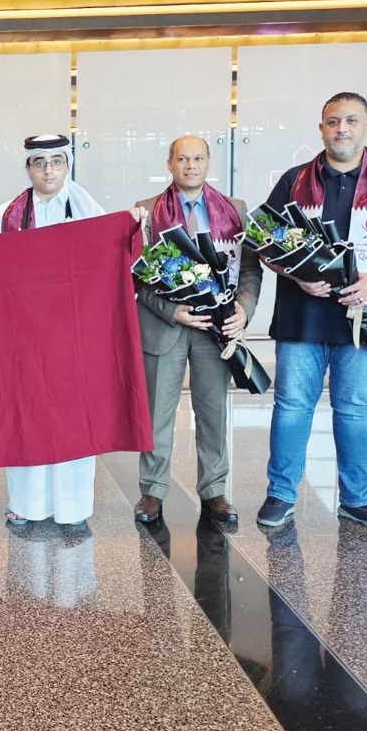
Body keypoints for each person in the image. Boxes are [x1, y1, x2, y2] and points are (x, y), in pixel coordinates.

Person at [255, 93, 367, 533]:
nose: (342, 129)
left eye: (351, 121)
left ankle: (357, 500)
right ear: (321, 128)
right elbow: (263, 240)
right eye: (333, 121)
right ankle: (281, 494)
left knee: (356, 409)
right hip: (302, 319)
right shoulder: (294, 181)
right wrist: (295, 275)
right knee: (291, 407)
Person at [133, 135, 262, 525]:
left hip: (216, 329)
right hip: (165, 327)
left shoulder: (236, 210)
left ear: (209, 163)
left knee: (213, 412)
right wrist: (174, 312)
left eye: (198, 158)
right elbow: (136, 279)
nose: (191, 165)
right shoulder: (146, 211)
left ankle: (215, 491)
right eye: (183, 158)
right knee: (157, 414)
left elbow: (252, 269)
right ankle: (152, 492)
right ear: (169, 164)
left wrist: (245, 309)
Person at [0, 134, 107, 528]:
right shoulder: (8, 213)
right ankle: (26, 502)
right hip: (24, 337)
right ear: (28, 168)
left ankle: (73, 508)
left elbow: (114, 253)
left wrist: (133, 226)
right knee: (26, 415)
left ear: (67, 165)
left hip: (72, 338)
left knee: (73, 417)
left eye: (56, 161)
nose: (49, 170)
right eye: (40, 162)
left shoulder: (88, 209)